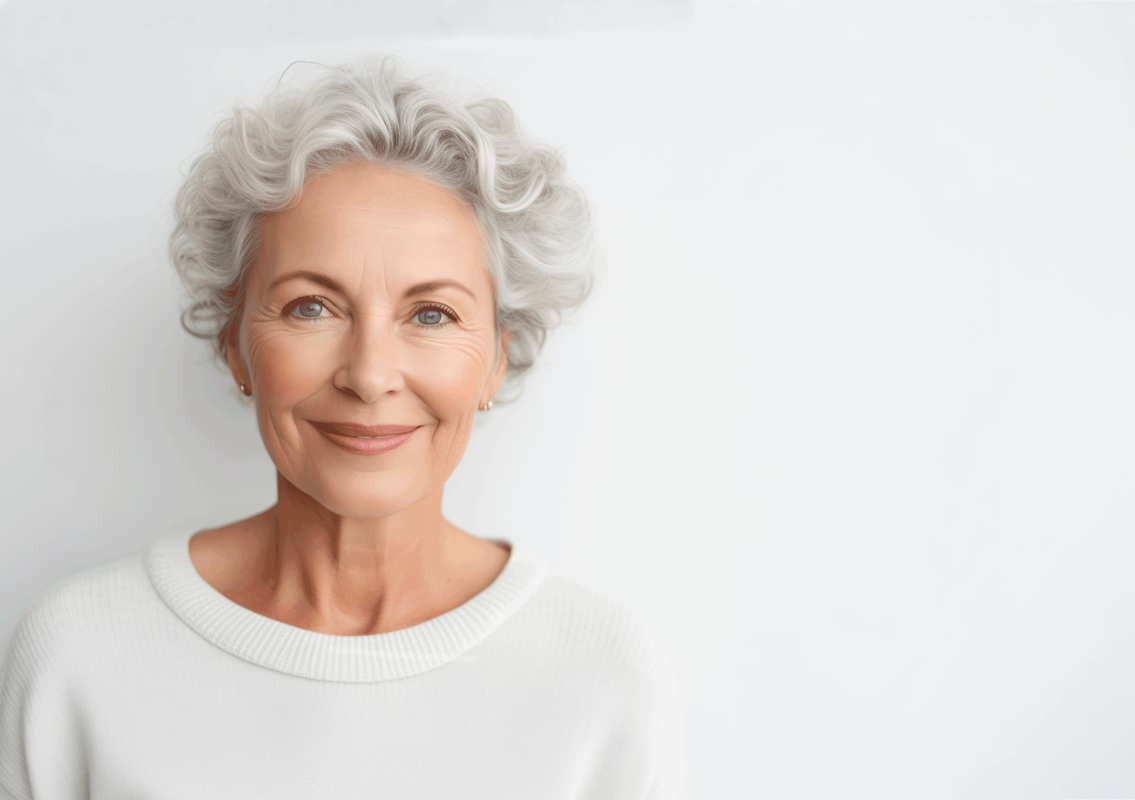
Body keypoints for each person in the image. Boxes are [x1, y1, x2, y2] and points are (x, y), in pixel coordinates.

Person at [0, 54, 686, 798]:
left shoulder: (601, 679)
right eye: (311, 307)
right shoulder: (83, 652)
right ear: (235, 344)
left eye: (431, 314)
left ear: (495, 361)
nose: (368, 373)